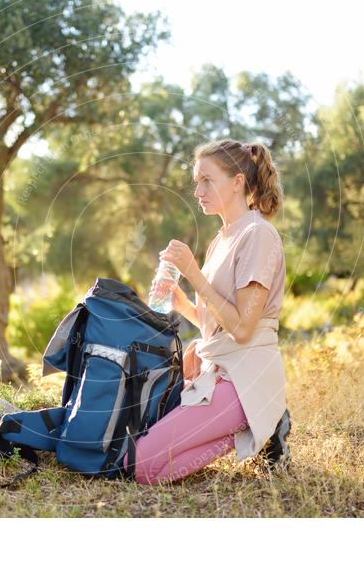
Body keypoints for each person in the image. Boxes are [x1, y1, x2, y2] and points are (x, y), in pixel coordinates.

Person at [122, 138, 291, 485]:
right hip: (216, 371)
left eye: (207, 180)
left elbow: (243, 330)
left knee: (139, 468)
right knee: (132, 450)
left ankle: (262, 421)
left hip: (245, 378)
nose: (198, 190)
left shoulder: (258, 234)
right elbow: (215, 325)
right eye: (196, 181)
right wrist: (180, 300)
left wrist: (194, 274)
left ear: (237, 182)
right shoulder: (221, 239)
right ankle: (246, 428)